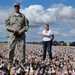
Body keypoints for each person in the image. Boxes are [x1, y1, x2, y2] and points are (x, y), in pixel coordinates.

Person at [5, 3, 29, 67]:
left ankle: (22, 63)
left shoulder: (23, 16)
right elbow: (6, 25)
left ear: (19, 7)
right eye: (15, 6)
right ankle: (10, 63)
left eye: (17, 6)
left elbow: (27, 26)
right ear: (14, 7)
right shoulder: (10, 16)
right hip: (12, 35)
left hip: (21, 36)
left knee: (22, 50)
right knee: (10, 49)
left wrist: (22, 30)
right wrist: (12, 29)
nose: (16, 8)